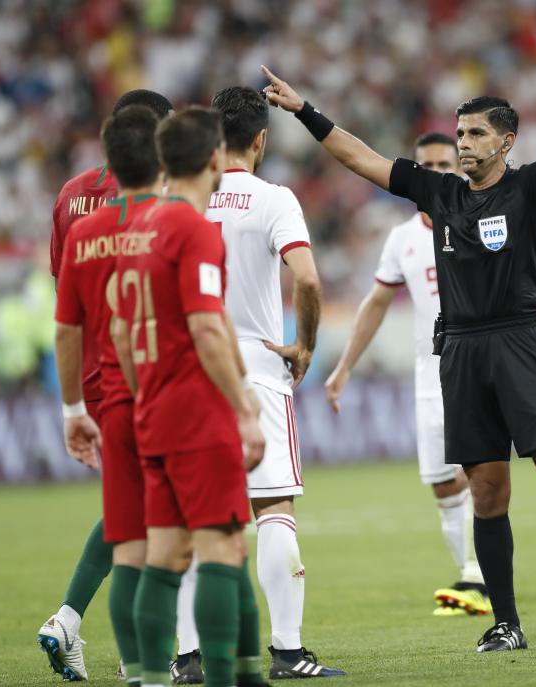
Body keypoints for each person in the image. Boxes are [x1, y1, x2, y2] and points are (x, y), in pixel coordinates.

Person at [261, 64, 536, 652]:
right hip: (461, 350)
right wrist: (304, 110)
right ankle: (506, 623)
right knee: (487, 492)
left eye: (474, 135)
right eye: (460, 134)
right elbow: (361, 158)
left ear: (506, 141)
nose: (463, 144)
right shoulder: (438, 191)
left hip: (522, 342)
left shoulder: (528, 187)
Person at [112, 107, 269, 687]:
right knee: (223, 550)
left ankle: (154, 680)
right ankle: (232, 680)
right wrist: (245, 409)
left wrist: (144, 395)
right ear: (213, 160)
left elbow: (126, 333)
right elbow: (206, 327)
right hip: (198, 417)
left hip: (152, 412)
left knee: (166, 556)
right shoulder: (194, 231)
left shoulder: (138, 229)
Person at [206, 86, 343, 679]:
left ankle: (187, 657)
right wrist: (305, 343)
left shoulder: (182, 201)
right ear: (261, 139)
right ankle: (287, 650)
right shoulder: (274, 199)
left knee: (196, 519)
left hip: (190, 370)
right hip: (257, 367)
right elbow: (308, 281)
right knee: (273, 509)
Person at [38, 89, 174, 682]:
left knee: (132, 505)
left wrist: (71, 399)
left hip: (89, 370)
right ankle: (118, 642)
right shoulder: (151, 197)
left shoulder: (71, 196)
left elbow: (65, 293)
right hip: (140, 366)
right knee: (153, 512)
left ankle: (94, 632)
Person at [324, 132, 489, 616]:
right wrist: (344, 367)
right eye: (428, 163)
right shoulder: (401, 239)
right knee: (442, 482)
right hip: (428, 370)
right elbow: (376, 303)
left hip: (473, 364)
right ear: (414, 172)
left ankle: (479, 579)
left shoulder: (478, 217)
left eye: (445, 162)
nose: (437, 170)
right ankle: (471, 577)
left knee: (476, 469)